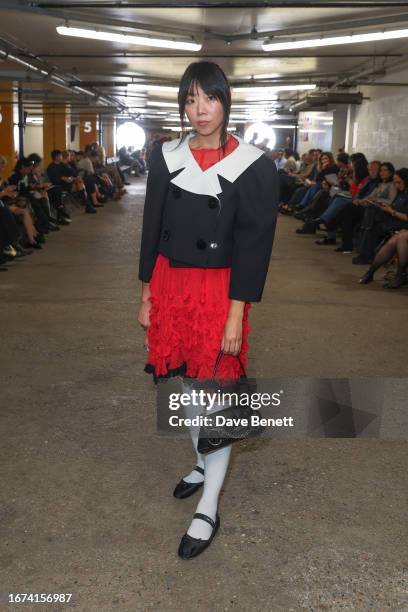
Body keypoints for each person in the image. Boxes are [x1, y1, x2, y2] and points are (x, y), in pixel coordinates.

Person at [137, 61, 279, 560]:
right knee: (185, 385)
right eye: (191, 99)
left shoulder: (254, 165)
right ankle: (201, 460)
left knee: (214, 397)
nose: (199, 110)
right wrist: (147, 294)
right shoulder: (166, 155)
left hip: (220, 292)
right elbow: (152, 228)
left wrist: (237, 313)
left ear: (226, 102)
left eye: (209, 98)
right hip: (171, 284)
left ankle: (209, 506)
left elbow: (253, 246)